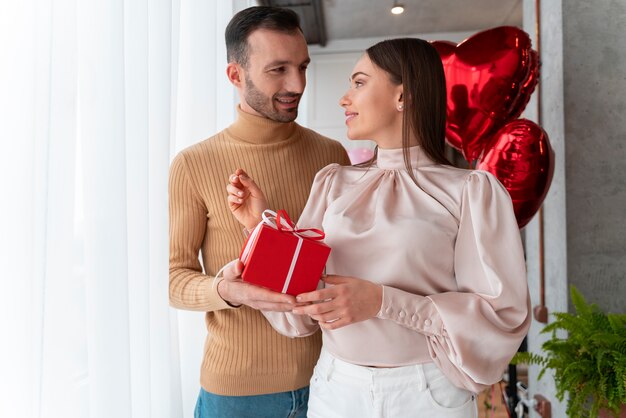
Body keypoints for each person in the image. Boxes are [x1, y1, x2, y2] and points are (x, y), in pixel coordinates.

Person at [226, 38, 531, 417]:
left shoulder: (471, 192)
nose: (344, 98)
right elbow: (296, 309)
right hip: (335, 388)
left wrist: (384, 302)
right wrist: (259, 228)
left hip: (427, 393)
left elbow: (501, 316)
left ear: (402, 95)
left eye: (358, 82)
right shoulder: (333, 183)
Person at [168, 6, 350, 418]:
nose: (297, 84)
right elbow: (171, 278)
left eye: (302, 66)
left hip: (331, 381)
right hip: (238, 395)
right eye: (278, 69)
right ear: (235, 75)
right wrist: (226, 291)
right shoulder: (194, 164)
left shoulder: (331, 155)